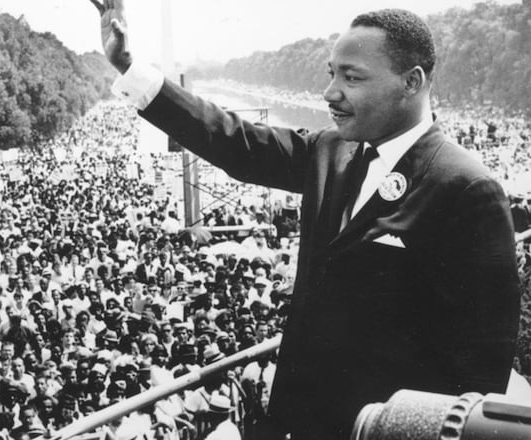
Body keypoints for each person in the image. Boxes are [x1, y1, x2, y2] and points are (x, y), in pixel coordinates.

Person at [88, 2, 521, 439]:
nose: (330, 92)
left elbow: (479, 376)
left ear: (411, 82)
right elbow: (233, 142)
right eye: (330, 73)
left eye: (351, 77)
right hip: (297, 422)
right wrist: (129, 66)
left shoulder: (466, 189)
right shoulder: (331, 149)